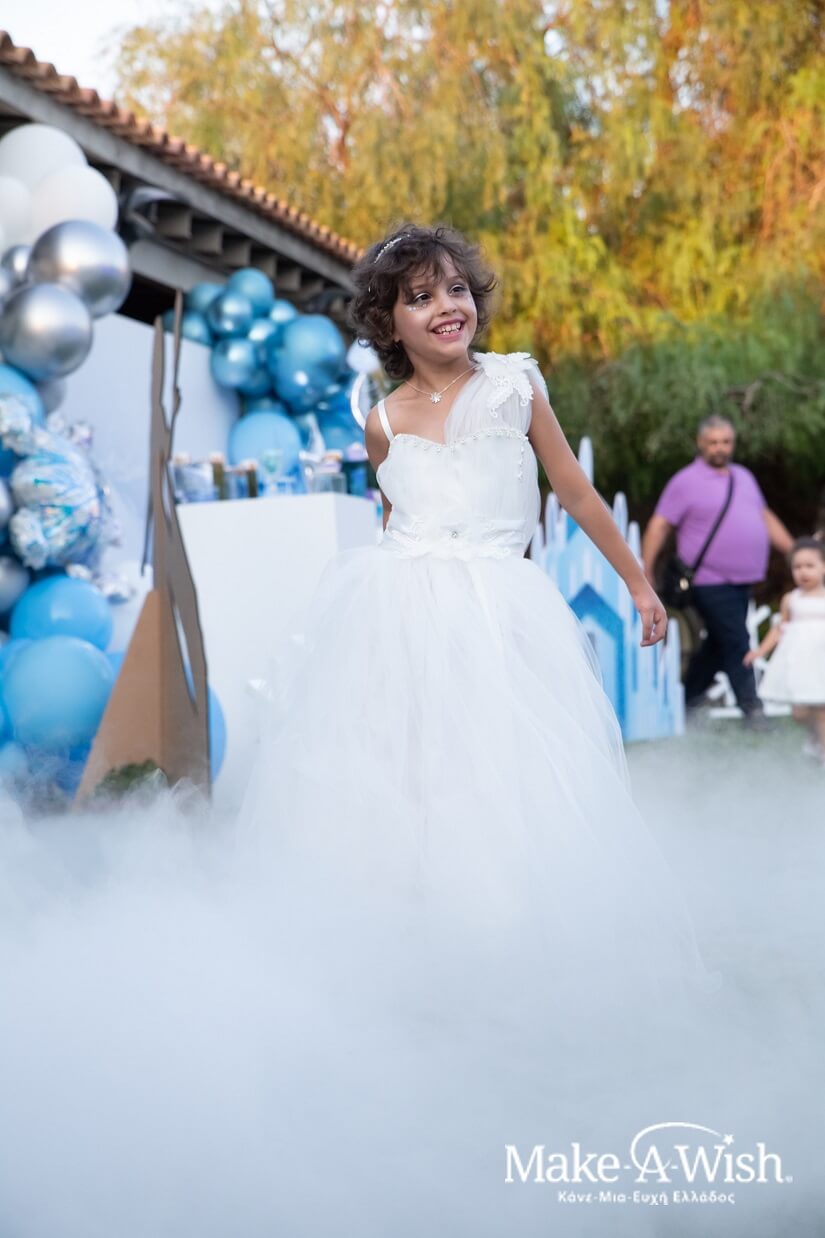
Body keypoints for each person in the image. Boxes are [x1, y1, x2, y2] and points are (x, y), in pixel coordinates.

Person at [235, 223, 724, 1233]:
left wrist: (639, 584)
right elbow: (393, 520)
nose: (445, 306)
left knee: (507, 791)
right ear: (389, 322)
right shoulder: (382, 419)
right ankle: (405, 981)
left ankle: (513, 972)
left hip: (502, 616)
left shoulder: (515, 385)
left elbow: (573, 490)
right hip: (397, 621)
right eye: (419, 297)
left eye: (455, 288)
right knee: (402, 796)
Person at [642, 414, 793, 726]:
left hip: (743, 579)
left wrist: (795, 551)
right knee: (736, 639)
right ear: (700, 443)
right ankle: (753, 711)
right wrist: (646, 568)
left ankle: (686, 703)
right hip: (708, 580)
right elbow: (659, 526)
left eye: (725, 442)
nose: (719, 448)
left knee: (717, 644)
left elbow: (764, 517)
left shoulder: (743, 477)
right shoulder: (686, 481)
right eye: (713, 442)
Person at [744, 537, 825, 762]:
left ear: (823, 567)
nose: (803, 572)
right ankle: (814, 736)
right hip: (800, 664)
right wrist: (760, 651)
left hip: (821, 662)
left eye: (809, 566)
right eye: (797, 567)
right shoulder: (791, 600)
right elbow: (779, 629)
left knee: (822, 709)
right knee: (800, 712)